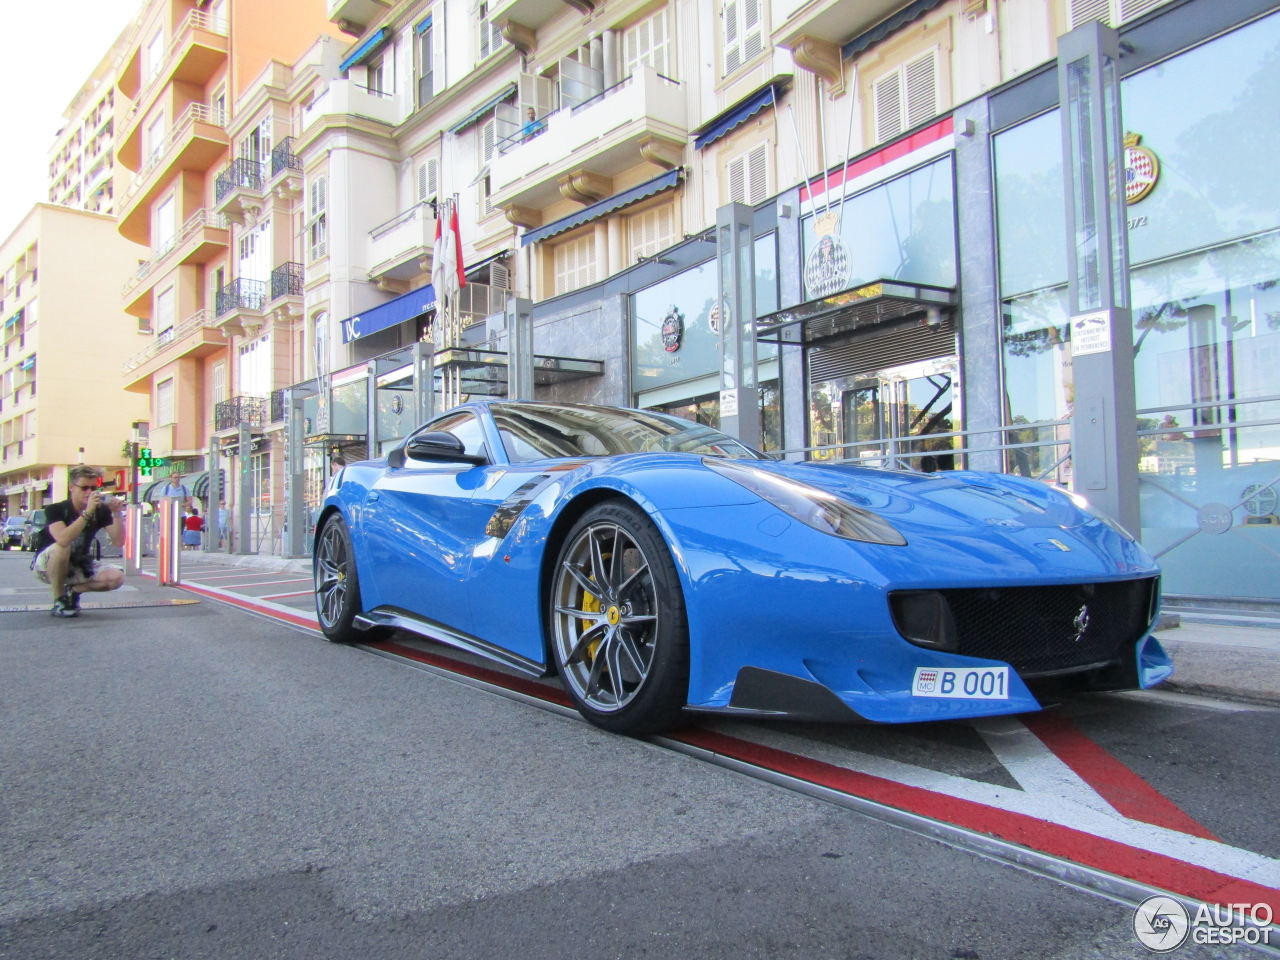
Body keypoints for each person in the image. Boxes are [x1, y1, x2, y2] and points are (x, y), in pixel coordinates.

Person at [32, 466, 125, 618]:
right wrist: (87, 513)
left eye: (93, 488)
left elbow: (119, 541)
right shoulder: (56, 509)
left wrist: (116, 513)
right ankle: (59, 600)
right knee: (63, 547)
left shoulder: (100, 510)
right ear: (71, 488)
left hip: (79, 563)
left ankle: (73, 591)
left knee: (116, 577)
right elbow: (62, 539)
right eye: (84, 488)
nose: (89, 492)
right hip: (49, 564)